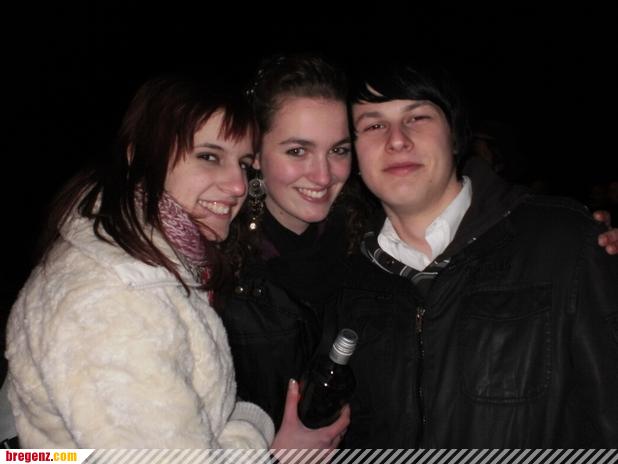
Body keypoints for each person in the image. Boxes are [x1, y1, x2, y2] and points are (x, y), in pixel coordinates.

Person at [5, 75, 348, 449]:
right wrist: (269, 447)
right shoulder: (118, 298)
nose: (238, 184)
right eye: (209, 157)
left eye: (242, 163)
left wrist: (251, 429)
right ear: (140, 157)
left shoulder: (162, 260)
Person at [325, 61, 618, 447]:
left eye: (418, 117)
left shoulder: (564, 243)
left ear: (455, 136)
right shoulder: (347, 283)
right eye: (374, 125)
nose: (397, 140)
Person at [218, 54, 362, 429]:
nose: (323, 175)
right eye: (297, 151)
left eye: (338, 150)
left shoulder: (371, 245)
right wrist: (264, 450)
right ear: (256, 155)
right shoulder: (216, 265)